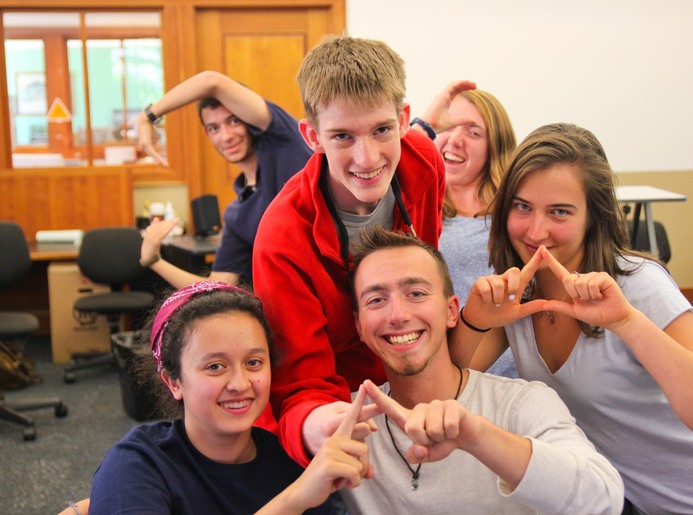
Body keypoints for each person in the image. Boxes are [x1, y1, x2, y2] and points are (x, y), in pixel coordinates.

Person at [452, 122, 693, 513]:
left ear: (593, 216)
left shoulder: (637, 284)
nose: (536, 230)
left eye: (559, 211)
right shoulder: (520, 296)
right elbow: (444, 384)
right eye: (522, 206)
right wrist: (475, 318)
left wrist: (626, 321)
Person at [252, 34, 475, 466]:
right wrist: (319, 422)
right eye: (341, 137)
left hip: (419, 378)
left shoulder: (424, 162)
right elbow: (302, 380)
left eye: (381, 130)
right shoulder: (281, 239)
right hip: (347, 403)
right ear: (311, 136)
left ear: (404, 119)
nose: (367, 157)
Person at [339, 225, 623, 514]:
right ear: (359, 326)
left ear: (451, 311)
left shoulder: (520, 404)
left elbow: (603, 500)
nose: (397, 315)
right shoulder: (345, 421)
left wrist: (476, 436)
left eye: (416, 293)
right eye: (376, 300)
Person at [88, 281, 372, 514]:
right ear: (173, 381)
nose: (240, 383)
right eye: (215, 367)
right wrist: (294, 500)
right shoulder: (138, 463)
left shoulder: (290, 464)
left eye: (253, 363)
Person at [136, 70, 312, 288]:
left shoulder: (283, 141)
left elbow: (211, 81)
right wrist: (154, 261)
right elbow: (219, 287)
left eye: (234, 121)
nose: (226, 136)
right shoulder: (238, 214)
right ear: (207, 134)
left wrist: (147, 117)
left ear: (248, 120)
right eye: (214, 128)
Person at [434, 88, 518, 378]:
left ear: (494, 146)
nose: (455, 139)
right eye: (448, 126)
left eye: (473, 133)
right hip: (445, 369)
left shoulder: (514, 210)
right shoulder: (417, 206)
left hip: (508, 369)